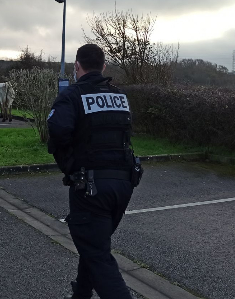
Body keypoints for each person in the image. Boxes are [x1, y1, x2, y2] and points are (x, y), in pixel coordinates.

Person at [48, 44, 141, 299]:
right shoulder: (118, 95)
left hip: (91, 188)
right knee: (94, 245)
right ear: (104, 67)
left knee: (98, 255)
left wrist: (70, 165)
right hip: (123, 185)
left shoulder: (72, 95)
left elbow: (56, 132)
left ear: (77, 66)